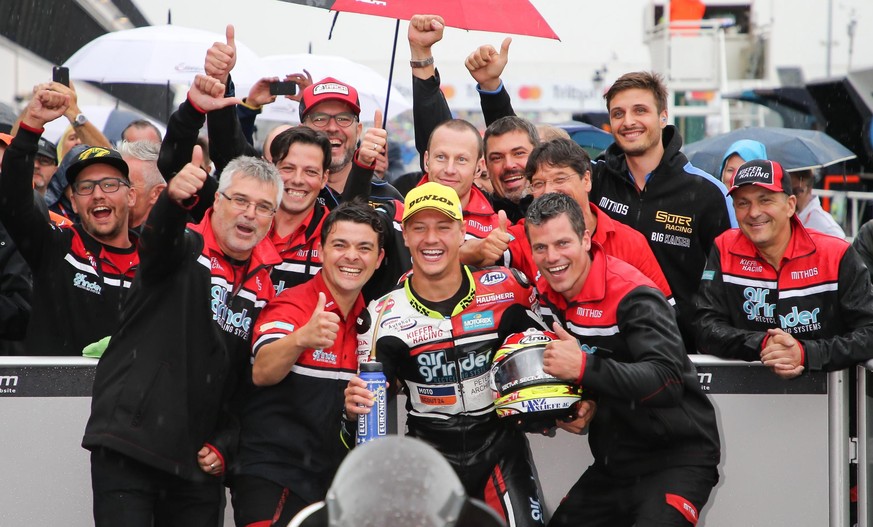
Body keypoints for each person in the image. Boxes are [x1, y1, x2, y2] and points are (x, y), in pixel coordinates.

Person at [82, 148, 283, 527]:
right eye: (239, 200)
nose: (249, 214)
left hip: (197, 464)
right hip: (131, 444)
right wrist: (174, 202)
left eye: (262, 207)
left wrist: (226, 441)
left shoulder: (265, 286)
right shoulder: (185, 245)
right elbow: (157, 242)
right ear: (217, 201)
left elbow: (246, 384)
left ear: (272, 219)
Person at [344, 182, 549, 527]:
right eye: (419, 228)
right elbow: (363, 429)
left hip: (501, 449)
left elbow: (552, 356)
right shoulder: (380, 316)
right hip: (427, 458)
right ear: (405, 236)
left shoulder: (508, 288)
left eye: (443, 227)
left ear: (462, 232)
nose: (431, 239)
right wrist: (352, 413)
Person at [524, 192, 720, 527]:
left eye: (562, 243)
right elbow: (573, 375)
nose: (552, 257)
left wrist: (585, 367)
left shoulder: (633, 293)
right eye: (540, 247)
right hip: (615, 463)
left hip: (678, 460)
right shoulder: (544, 295)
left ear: (586, 238)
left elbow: (668, 381)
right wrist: (570, 410)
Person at [232, 201, 385, 527]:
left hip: (331, 482)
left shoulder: (371, 322)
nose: (351, 256)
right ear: (320, 251)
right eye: (340, 245)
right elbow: (262, 371)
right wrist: (301, 338)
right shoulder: (292, 305)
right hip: (273, 474)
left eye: (364, 248)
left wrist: (351, 411)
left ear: (379, 259)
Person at [589, 71, 735, 354]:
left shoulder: (707, 192)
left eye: (640, 110)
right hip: (608, 349)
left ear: (663, 116)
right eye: (618, 113)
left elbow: (730, 279)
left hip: (682, 352)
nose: (628, 121)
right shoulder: (593, 181)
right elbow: (533, 165)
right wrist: (493, 89)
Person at [695, 159, 873, 377]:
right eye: (743, 203)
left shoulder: (836, 254)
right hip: (746, 397)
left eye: (765, 200)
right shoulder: (724, 248)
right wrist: (763, 344)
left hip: (832, 401)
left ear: (790, 205)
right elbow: (705, 327)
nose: (754, 212)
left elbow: (869, 333)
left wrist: (806, 354)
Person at [0, 85, 138, 356]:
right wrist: (32, 124)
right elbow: (13, 199)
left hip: (128, 397)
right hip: (57, 396)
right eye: (86, 187)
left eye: (109, 184)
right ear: (73, 201)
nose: (98, 195)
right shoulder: (55, 247)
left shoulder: (155, 257)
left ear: (131, 195)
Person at [505, 138, 672, 297]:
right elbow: (486, 259)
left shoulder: (630, 243)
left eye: (560, 179)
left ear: (586, 180)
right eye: (539, 184)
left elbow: (664, 318)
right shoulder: (523, 235)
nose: (548, 191)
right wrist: (481, 249)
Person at [117, 140, 166, 231]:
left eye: (126, 183)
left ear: (157, 193)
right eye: (110, 183)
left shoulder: (172, 241)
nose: (112, 192)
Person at [790, 168, 846, 238]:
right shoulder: (781, 219)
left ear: (810, 189)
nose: (791, 197)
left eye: (797, 191)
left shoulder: (827, 228)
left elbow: (841, 244)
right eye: (787, 191)